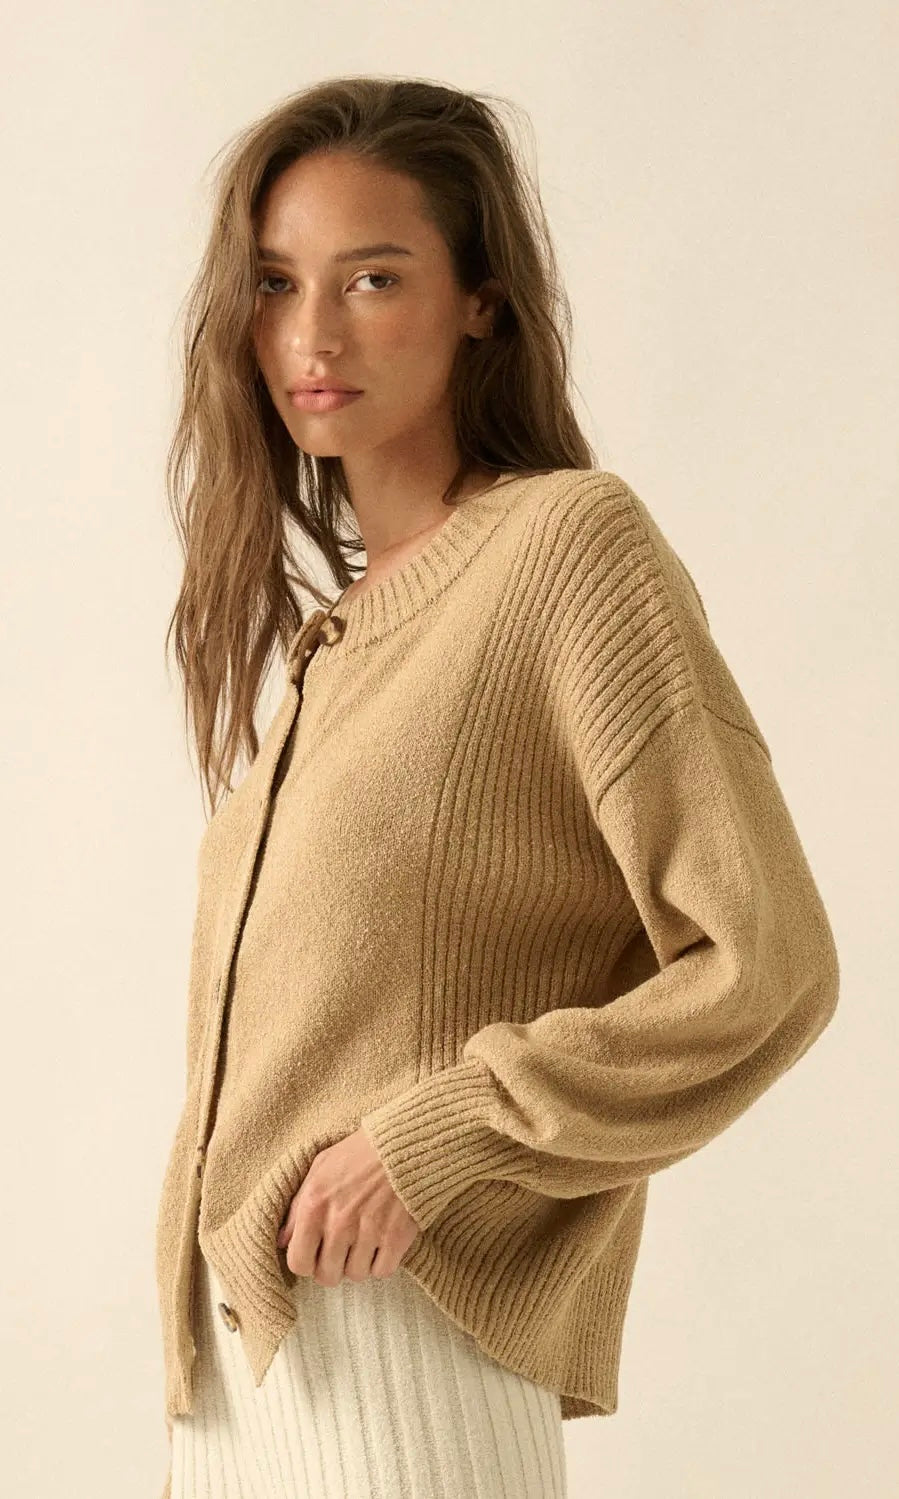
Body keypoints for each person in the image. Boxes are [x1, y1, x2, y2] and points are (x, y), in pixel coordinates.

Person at [154, 76, 839, 1499]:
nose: (313, 334)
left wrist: (434, 1141)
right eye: (276, 284)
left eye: (374, 278)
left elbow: (766, 965)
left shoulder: (566, 549)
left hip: (402, 1357)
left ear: (481, 301)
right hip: (235, 1391)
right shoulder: (335, 643)